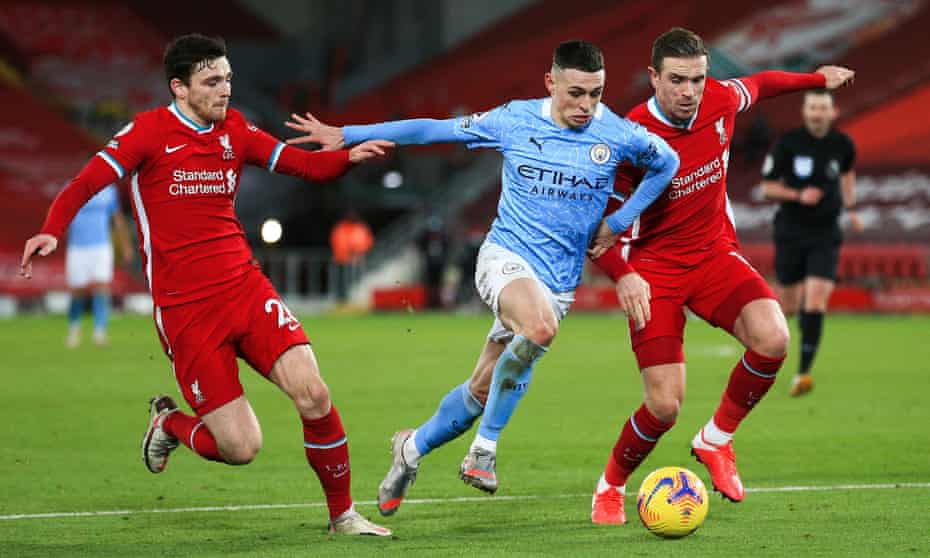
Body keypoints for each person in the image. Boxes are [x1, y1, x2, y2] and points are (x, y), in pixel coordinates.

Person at [20, 34, 395, 536]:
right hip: (186, 311)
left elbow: (302, 164)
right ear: (180, 87)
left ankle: (343, 516)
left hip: (245, 288)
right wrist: (51, 228)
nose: (225, 90)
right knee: (240, 448)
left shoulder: (235, 130)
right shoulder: (147, 134)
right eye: (212, 81)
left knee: (314, 393)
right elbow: (85, 183)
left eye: (228, 79)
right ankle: (168, 423)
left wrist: (347, 156)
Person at [286, 40, 680, 514]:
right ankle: (484, 452)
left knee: (479, 389)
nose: (586, 106)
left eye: (596, 94)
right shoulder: (514, 120)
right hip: (504, 258)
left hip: (557, 284)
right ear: (550, 83)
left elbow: (667, 165)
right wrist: (347, 134)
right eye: (575, 93)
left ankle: (410, 449)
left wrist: (618, 223)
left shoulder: (616, 133)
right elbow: (433, 130)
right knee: (538, 329)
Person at [587, 28, 854, 524]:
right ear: (653, 78)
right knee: (664, 406)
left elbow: (765, 82)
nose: (690, 92)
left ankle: (715, 440)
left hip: (713, 256)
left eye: (698, 79)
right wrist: (623, 275)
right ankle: (611, 486)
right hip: (655, 272)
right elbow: (594, 227)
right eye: (677, 80)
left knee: (773, 338)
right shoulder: (628, 141)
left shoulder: (719, 99)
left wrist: (817, 78)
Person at [761, 89, 859, 397]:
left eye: (823, 108)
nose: (817, 113)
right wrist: (797, 195)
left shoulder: (843, 145)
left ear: (833, 112)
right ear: (805, 112)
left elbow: (846, 175)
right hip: (791, 230)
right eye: (813, 108)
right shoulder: (788, 144)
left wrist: (851, 208)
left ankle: (802, 373)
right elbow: (767, 188)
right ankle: (760, 349)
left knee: (816, 300)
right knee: (788, 304)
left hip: (826, 233)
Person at [64, 183, 133, 347]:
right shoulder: (71, 187)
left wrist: (126, 245)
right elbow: (60, 213)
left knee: (102, 287)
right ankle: (74, 328)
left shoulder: (108, 191)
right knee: (77, 291)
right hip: (77, 247)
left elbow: (117, 218)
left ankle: (100, 331)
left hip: (101, 246)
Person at [329, 209, 374, 300]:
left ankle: (354, 298)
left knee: (355, 281)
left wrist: (358, 250)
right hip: (341, 259)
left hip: (356, 260)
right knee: (341, 282)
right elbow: (335, 241)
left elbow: (368, 241)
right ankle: (341, 299)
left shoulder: (360, 228)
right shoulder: (340, 228)